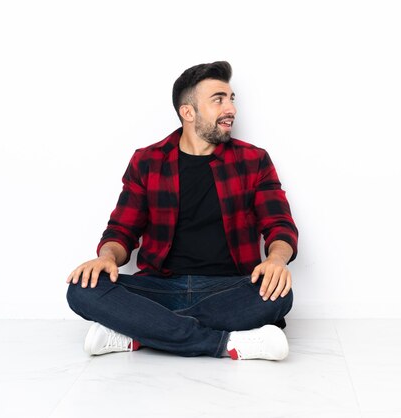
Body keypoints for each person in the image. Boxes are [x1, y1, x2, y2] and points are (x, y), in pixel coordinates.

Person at [66, 61, 298, 361]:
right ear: (188, 112)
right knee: (82, 288)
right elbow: (121, 232)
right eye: (219, 100)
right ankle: (224, 343)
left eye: (231, 99)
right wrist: (106, 258)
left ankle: (137, 333)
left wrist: (277, 261)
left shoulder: (254, 160)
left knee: (279, 294)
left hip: (229, 287)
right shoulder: (147, 161)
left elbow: (279, 225)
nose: (231, 109)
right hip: (159, 286)